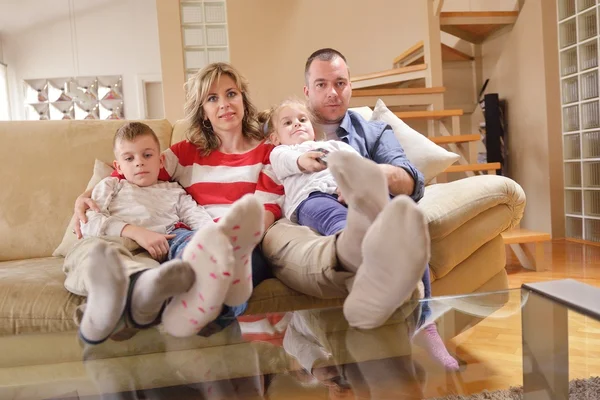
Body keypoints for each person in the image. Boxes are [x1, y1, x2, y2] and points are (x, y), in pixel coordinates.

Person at [261, 48, 459, 370]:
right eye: (322, 84)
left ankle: (425, 323)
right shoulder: (283, 143)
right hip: (313, 204)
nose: (333, 92)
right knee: (346, 226)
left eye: (340, 83)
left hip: (364, 198)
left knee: (405, 215)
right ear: (307, 90)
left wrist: (369, 179)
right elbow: (278, 160)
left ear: (351, 85)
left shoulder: (371, 131)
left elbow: (410, 178)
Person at [69, 62, 284, 341]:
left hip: (240, 243)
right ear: (204, 112)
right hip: (197, 240)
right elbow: (132, 173)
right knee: (200, 260)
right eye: (212, 98)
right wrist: (84, 199)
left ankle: (187, 314)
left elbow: (267, 210)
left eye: (231, 94)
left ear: (243, 98)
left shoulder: (269, 152)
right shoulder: (186, 153)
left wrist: (232, 242)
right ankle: (159, 309)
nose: (224, 104)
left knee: (244, 262)